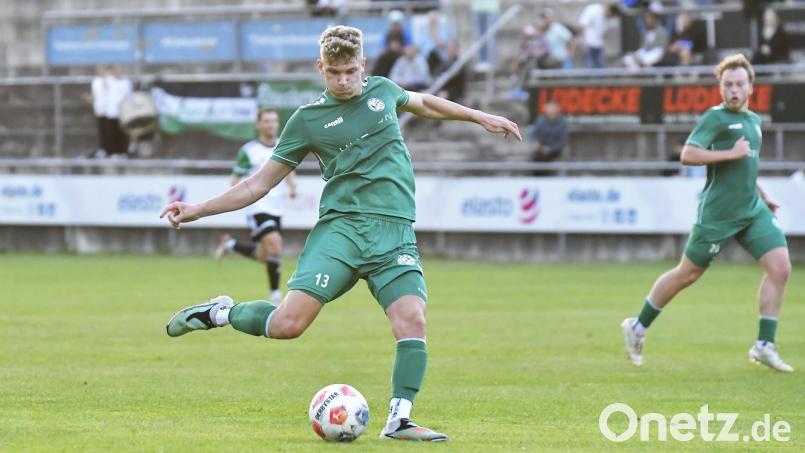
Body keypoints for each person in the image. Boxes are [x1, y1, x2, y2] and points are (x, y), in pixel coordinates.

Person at [161, 25, 521, 441]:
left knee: (412, 319)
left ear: (363, 66)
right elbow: (258, 185)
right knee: (287, 325)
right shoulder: (307, 121)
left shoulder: (384, 91)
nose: (344, 80)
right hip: (343, 231)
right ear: (321, 68)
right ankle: (219, 312)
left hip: (395, 234)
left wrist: (480, 117)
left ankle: (399, 420)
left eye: (350, 71)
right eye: (334, 72)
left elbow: (424, 103)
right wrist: (198, 209)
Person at [621, 54, 793, 372]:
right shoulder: (715, 118)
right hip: (718, 213)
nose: (734, 90)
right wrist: (730, 153)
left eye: (740, 84)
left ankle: (764, 345)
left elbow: (747, 165)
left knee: (780, 268)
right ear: (721, 89)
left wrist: (763, 195)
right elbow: (687, 154)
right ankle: (637, 326)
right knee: (687, 274)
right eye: (728, 85)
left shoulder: (754, 121)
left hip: (752, 210)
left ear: (751, 87)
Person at [215, 108, 298, 303]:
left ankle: (230, 244)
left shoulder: (282, 145)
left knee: (265, 255)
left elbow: (288, 170)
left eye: (274, 121)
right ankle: (275, 295)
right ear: (259, 124)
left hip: (276, 207)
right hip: (257, 207)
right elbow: (235, 180)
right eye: (267, 121)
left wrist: (293, 186)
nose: (271, 125)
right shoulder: (249, 150)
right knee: (275, 245)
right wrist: (241, 195)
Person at [577, 2, 619, 68]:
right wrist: (582, 41)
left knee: (600, 66)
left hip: (599, 44)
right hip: (588, 43)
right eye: (609, 14)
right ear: (607, 9)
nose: (609, 16)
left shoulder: (609, 19)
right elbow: (582, 26)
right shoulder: (594, 10)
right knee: (588, 66)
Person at [530, 101, 567, 166]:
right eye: (549, 113)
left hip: (555, 150)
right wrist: (535, 142)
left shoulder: (562, 123)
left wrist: (551, 148)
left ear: (557, 112)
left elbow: (562, 141)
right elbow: (533, 134)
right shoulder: (540, 121)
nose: (551, 115)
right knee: (536, 156)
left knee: (548, 157)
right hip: (541, 148)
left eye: (553, 113)